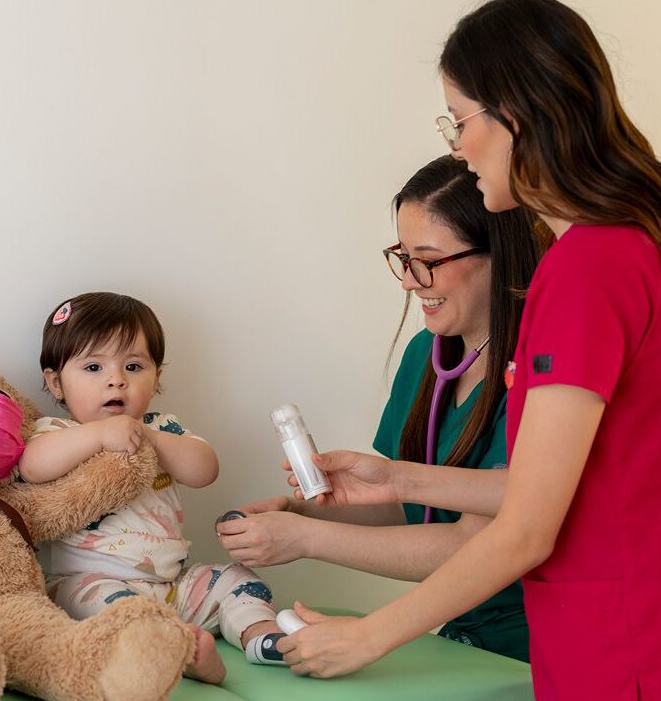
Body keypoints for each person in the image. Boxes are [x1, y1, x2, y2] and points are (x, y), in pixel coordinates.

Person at [275, 0, 661, 701]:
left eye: (460, 122)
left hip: (631, 635)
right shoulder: (628, 244)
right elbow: (565, 484)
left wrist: (369, 635)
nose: (457, 147)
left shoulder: (587, 268)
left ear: (515, 116)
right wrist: (397, 477)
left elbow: (527, 526)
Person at [217, 155, 545, 662]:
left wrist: (307, 537)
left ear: (498, 254)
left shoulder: (537, 373)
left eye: (428, 260)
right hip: (463, 640)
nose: (409, 281)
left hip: (533, 642)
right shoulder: (425, 355)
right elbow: (408, 510)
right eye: (402, 256)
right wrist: (301, 510)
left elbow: (476, 544)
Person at [19, 292, 286, 685]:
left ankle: (261, 637)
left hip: (173, 586)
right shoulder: (59, 432)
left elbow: (204, 469)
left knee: (236, 578)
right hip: (92, 583)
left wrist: (152, 439)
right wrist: (99, 436)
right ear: (55, 383)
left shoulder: (162, 428)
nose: (116, 379)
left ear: (157, 378)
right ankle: (178, 652)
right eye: (93, 367)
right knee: (111, 612)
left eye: (133, 366)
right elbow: (32, 467)